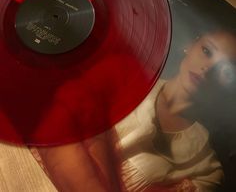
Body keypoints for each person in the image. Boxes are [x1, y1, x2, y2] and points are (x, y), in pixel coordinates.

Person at [30, 28, 235, 192]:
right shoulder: (125, 74)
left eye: (224, 69)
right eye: (207, 51)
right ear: (191, 45)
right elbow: (53, 128)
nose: (207, 69)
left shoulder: (206, 166)